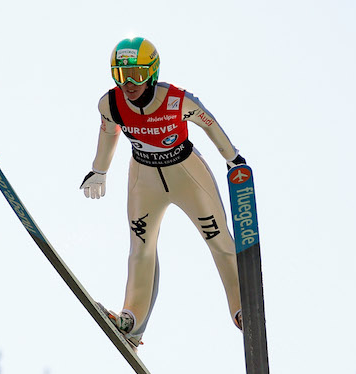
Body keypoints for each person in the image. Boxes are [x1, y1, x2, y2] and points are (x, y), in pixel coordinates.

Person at [81, 36, 245, 350]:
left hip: (186, 173)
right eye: (121, 75)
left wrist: (232, 158)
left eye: (138, 75)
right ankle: (132, 322)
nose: (129, 83)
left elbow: (209, 124)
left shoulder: (176, 100)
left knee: (217, 238)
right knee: (140, 248)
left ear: (152, 73)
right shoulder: (111, 103)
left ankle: (241, 307)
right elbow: (108, 132)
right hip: (144, 179)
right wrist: (99, 169)